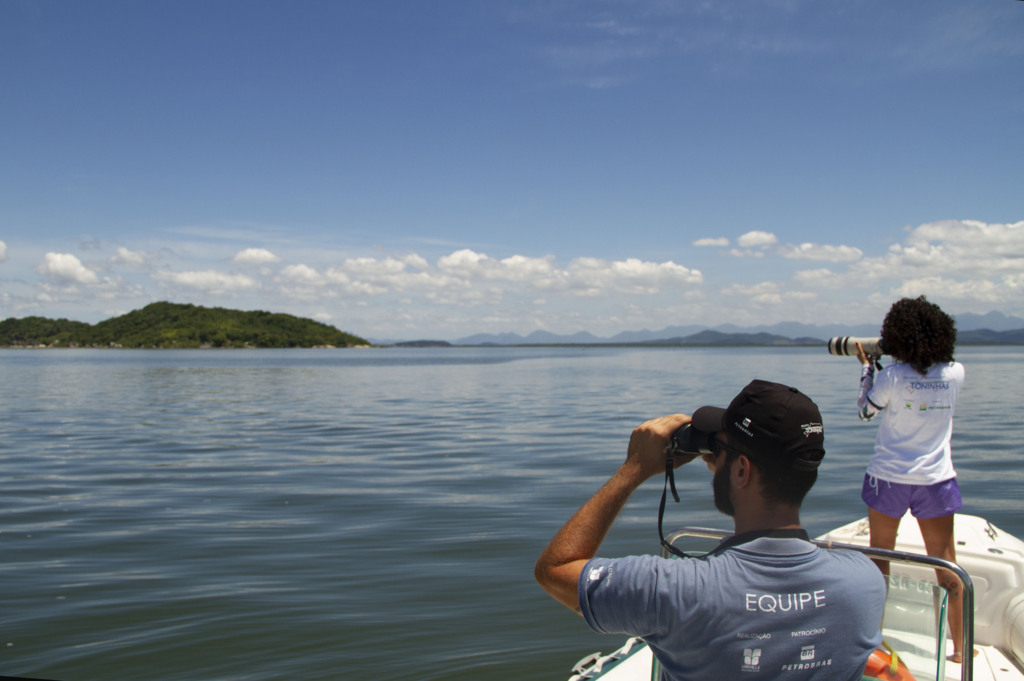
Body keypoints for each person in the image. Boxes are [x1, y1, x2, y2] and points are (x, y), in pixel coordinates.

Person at [535, 380, 886, 681]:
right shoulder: (864, 582)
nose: (711, 461)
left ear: (741, 471)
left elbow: (555, 570)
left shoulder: (675, 591)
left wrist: (633, 470)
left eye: (718, 452)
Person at [854, 295, 968, 663]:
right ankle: (962, 649)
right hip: (935, 480)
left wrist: (868, 368)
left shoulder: (891, 377)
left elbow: (865, 412)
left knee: (879, 560)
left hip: (888, 478)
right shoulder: (956, 373)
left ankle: (872, 643)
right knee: (946, 563)